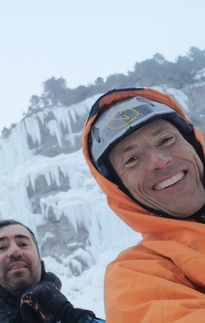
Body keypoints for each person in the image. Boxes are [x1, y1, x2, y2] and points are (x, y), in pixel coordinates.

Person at [82, 87, 205, 322]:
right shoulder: (134, 275)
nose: (159, 161)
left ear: (194, 145)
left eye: (166, 139)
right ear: (121, 190)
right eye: (132, 159)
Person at [0, 219, 104, 323]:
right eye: (1, 247)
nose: (15, 251)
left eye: (23, 244)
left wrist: (71, 317)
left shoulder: (66, 313)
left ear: (40, 262)